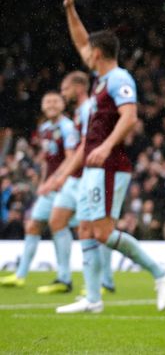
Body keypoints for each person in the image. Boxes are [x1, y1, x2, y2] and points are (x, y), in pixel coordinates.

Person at [55, 0, 165, 314]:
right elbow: (81, 40)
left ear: (98, 54)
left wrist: (107, 146)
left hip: (110, 164)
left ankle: (159, 272)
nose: (84, 56)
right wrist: (70, 9)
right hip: (94, 165)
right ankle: (93, 298)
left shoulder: (120, 79)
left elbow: (130, 117)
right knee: (86, 228)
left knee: (104, 231)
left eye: (88, 53)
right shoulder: (101, 79)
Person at [39, 71, 117, 296]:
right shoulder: (79, 111)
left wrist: (61, 176)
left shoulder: (89, 108)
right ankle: (65, 278)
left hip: (89, 176)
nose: (63, 94)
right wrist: (59, 177)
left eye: (64, 89)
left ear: (78, 88)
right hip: (75, 178)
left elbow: (84, 147)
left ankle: (105, 280)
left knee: (98, 229)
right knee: (57, 221)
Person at [0, 91, 78, 292]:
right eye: (47, 101)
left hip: (66, 186)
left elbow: (70, 159)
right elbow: (47, 161)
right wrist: (43, 183)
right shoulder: (44, 129)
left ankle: (65, 278)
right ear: (42, 106)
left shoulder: (68, 127)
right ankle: (20, 275)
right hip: (50, 186)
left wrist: (53, 182)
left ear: (63, 104)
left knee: (62, 226)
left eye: (55, 101)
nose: (51, 104)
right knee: (33, 225)